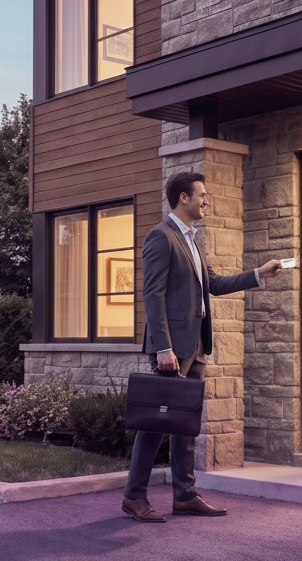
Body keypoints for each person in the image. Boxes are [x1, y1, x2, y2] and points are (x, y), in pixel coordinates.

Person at [121, 172, 284, 523]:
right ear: (184, 197)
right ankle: (134, 497)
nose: (207, 200)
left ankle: (185, 495)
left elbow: (214, 283)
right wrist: (163, 347)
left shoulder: (192, 241)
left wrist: (259, 274)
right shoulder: (161, 236)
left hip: (195, 345)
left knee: (185, 423)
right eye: (202, 195)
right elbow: (152, 294)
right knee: (155, 424)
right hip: (172, 347)